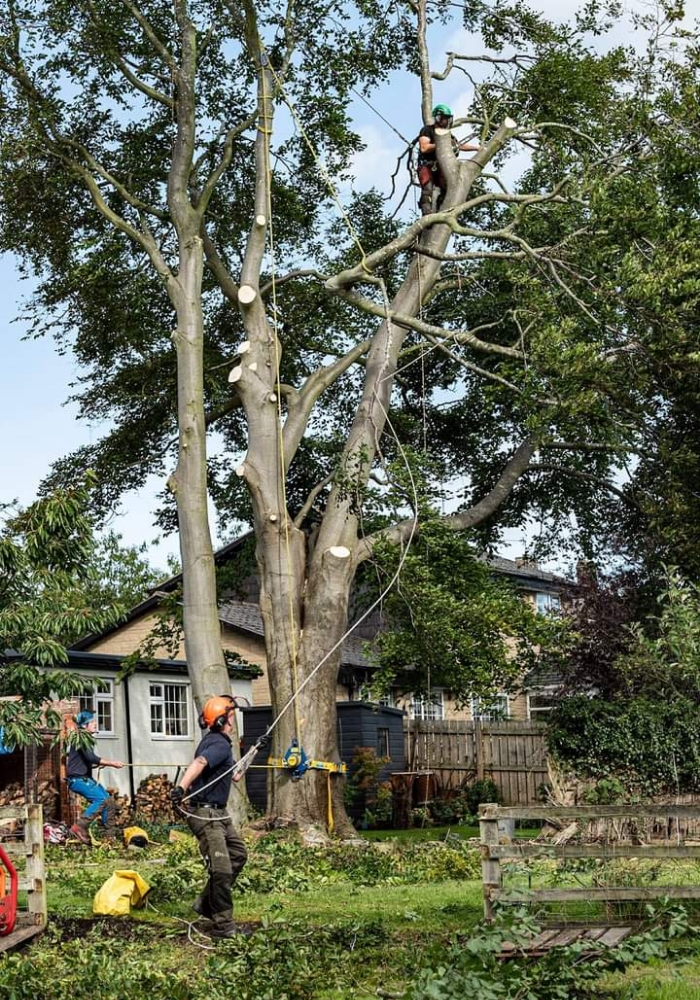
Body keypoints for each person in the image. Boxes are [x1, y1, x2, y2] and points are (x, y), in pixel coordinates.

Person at [170, 695, 248, 939]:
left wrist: (255, 751)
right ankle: (223, 926)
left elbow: (235, 776)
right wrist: (181, 788)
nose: (233, 722)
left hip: (219, 814)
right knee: (222, 870)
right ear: (222, 719)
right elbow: (200, 762)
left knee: (238, 855)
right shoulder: (218, 744)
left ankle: (206, 903)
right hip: (205, 813)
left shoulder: (218, 741)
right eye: (231, 717)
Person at [66, 710, 124, 844]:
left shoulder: (84, 738)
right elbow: (91, 757)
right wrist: (112, 763)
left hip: (84, 778)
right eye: (92, 722)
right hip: (78, 780)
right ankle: (79, 827)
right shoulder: (81, 737)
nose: (95, 724)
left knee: (108, 802)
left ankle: (109, 838)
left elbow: (85, 760)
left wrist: (95, 766)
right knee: (101, 800)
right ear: (84, 726)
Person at [417, 103, 480, 216]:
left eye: (447, 118)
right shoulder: (427, 130)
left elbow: (459, 145)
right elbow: (424, 147)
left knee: (447, 188)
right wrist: (441, 144)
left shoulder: (447, 135)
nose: (446, 121)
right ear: (437, 117)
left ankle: (442, 210)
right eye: (443, 118)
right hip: (427, 165)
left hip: (441, 166)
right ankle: (427, 212)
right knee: (427, 188)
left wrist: (476, 148)